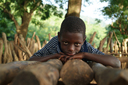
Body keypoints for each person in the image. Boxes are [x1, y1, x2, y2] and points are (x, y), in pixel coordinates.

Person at [29, 16, 121, 68]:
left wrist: (84, 55)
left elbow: (116, 63)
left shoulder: (86, 48)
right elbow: (31, 60)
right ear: (59, 37)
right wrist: (55, 56)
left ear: (83, 40)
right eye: (65, 42)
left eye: (77, 44)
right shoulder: (54, 43)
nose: (71, 49)